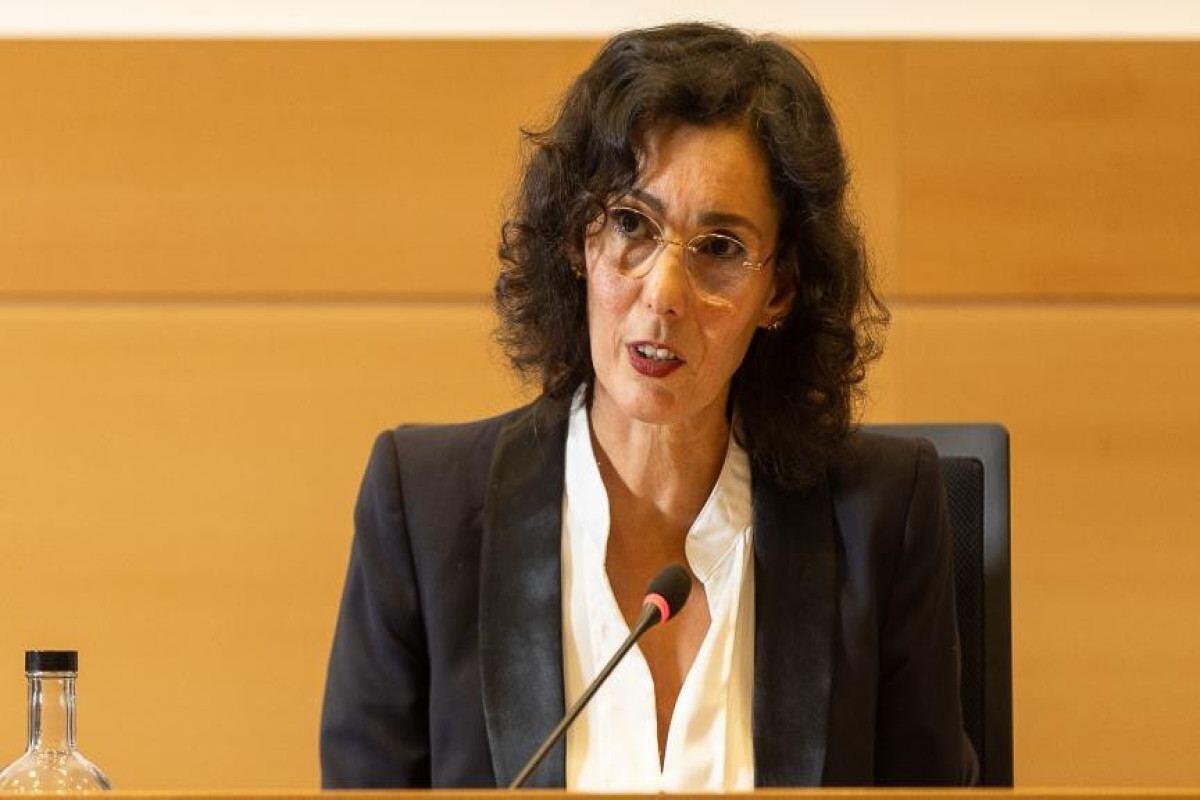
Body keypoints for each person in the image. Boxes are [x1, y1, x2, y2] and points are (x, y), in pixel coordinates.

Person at [320, 22, 977, 790]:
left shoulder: (880, 519)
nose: (663, 295)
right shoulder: (425, 511)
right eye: (631, 224)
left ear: (781, 291)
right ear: (580, 240)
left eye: (720, 248)